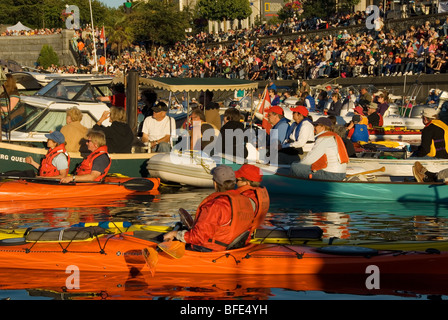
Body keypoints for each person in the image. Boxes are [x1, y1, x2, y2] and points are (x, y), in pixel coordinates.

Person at [162, 165, 256, 252]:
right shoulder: (247, 201)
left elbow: (197, 237)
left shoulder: (215, 205)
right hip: (236, 248)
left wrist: (175, 234)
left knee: (165, 238)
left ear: (215, 183)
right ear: (234, 182)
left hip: (213, 251)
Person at [290, 117, 349, 181]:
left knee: (295, 167)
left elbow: (309, 159)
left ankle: (294, 185)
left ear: (323, 127)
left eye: (316, 125)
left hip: (331, 174)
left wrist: (298, 165)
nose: (314, 128)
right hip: (340, 173)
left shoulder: (324, 138)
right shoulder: (333, 137)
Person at [234, 164, 270, 231]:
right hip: (254, 230)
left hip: (245, 237)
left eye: (237, 180)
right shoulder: (257, 194)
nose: (235, 183)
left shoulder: (245, 199)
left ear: (247, 182)